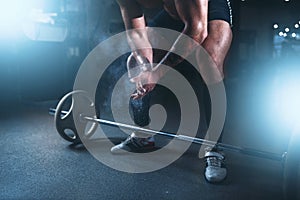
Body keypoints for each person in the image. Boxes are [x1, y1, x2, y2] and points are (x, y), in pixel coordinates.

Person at [111, 0, 233, 183]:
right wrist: (145, 68)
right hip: (174, 12)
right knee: (136, 63)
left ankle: (215, 148)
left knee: (209, 60)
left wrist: (158, 72)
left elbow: (197, 30)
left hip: (209, 11)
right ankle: (143, 135)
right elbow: (137, 34)